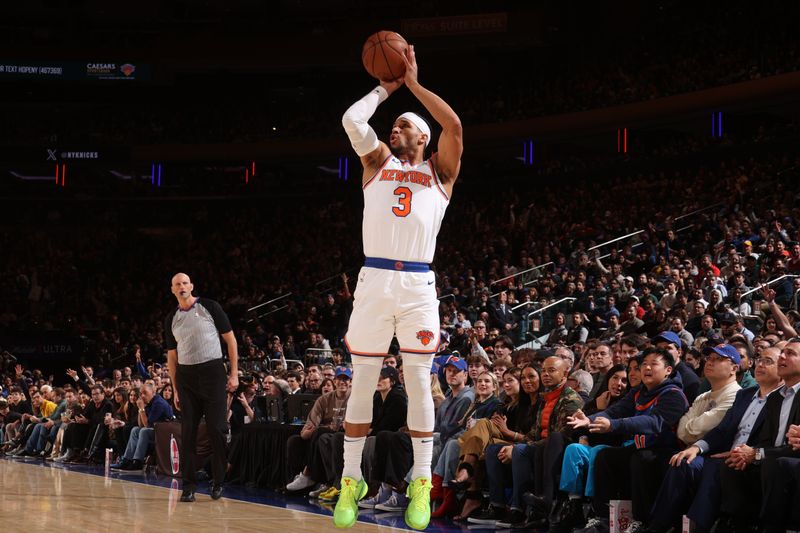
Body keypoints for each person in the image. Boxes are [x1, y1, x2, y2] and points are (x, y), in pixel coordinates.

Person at [335, 42, 463, 531]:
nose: (396, 127)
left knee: (417, 383)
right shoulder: (377, 164)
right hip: (373, 281)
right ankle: (351, 480)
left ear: (423, 137)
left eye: (405, 123)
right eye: (395, 123)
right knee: (362, 384)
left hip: (416, 286)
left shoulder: (441, 172)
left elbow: (453, 126)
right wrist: (385, 89)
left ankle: (422, 482)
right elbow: (352, 120)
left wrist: (412, 84)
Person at [165, 272, 239, 503]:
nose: (182, 286)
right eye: (177, 284)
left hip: (213, 373)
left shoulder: (209, 307)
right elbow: (171, 356)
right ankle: (188, 487)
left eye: (185, 282)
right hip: (187, 378)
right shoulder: (171, 318)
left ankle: (218, 482)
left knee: (217, 430)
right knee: (188, 432)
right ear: (173, 290)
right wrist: (175, 388)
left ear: (192, 286)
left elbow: (231, 340)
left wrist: (234, 373)